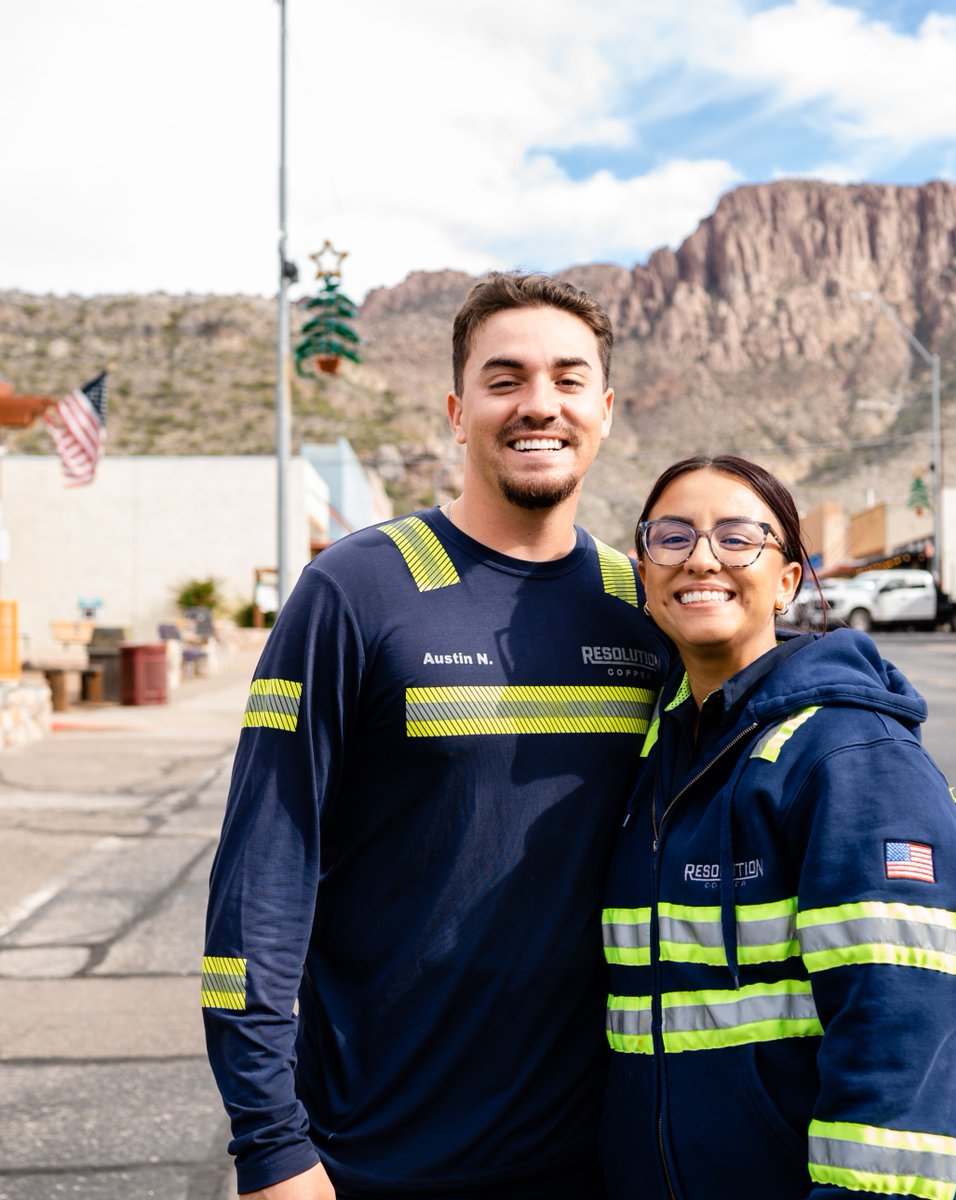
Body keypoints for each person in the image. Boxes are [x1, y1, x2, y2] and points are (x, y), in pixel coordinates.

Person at [203, 272, 667, 1199]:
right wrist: (269, 1144)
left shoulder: (641, 603)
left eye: (569, 380)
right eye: (505, 379)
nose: (539, 404)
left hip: (595, 1155)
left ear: (605, 411)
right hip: (375, 1151)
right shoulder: (356, 589)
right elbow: (265, 872)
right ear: (459, 411)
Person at [599, 454, 956, 1200]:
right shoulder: (653, 753)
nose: (702, 556)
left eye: (738, 537)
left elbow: (899, 1038)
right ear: (644, 575)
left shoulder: (853, 757)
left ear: (788, 581)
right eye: (672, 537)